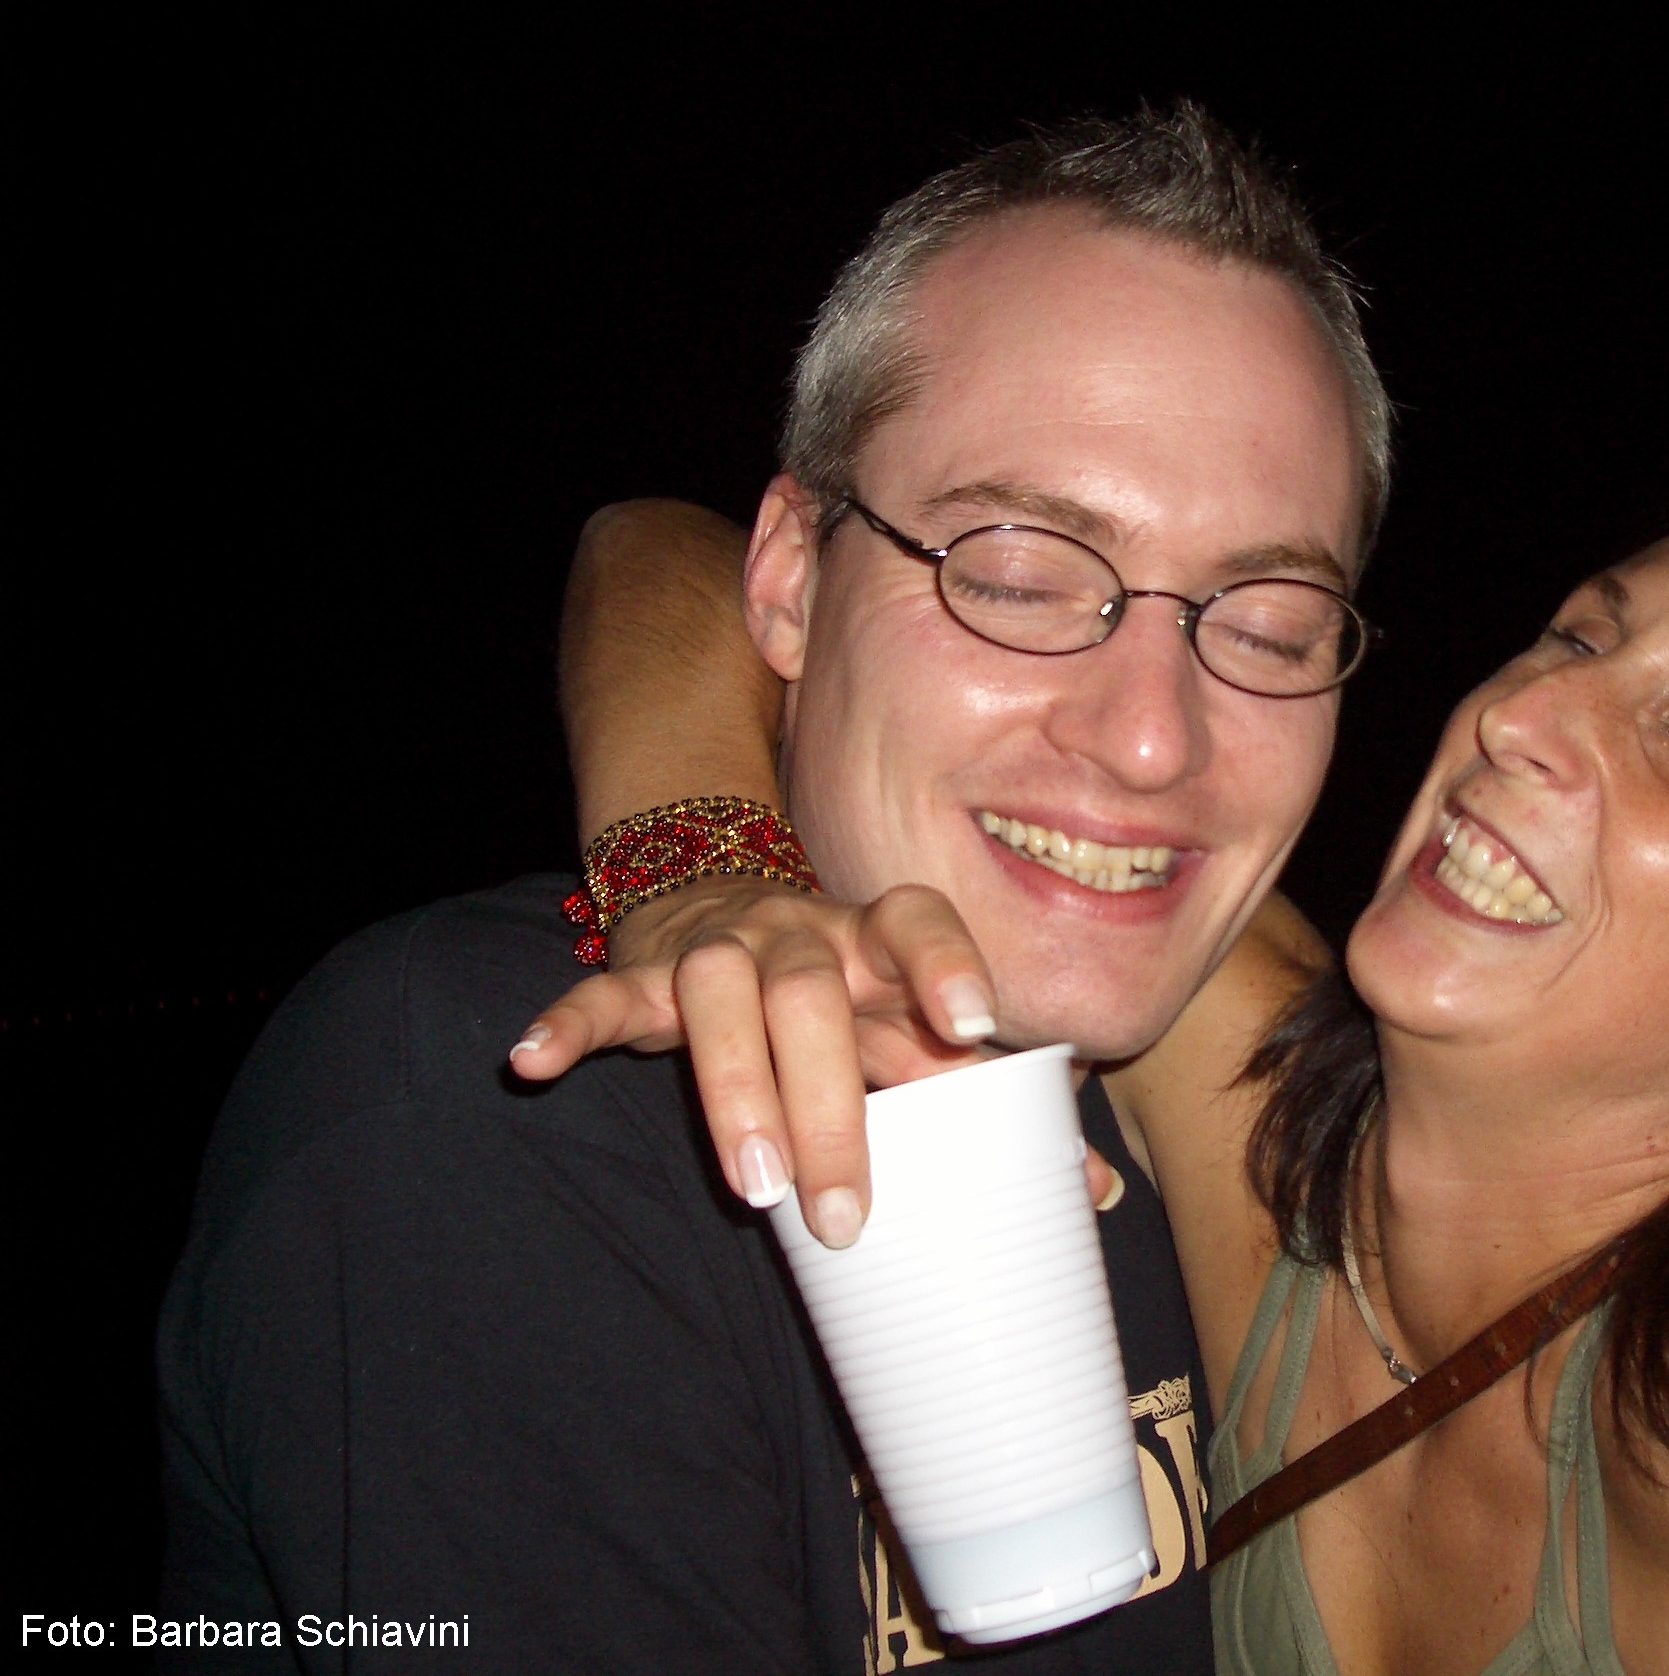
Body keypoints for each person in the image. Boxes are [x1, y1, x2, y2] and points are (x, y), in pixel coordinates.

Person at [548, 459, 1669, 1671]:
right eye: (1579, 638)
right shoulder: (1252, 1103)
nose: (1520, 715)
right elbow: (667, 551)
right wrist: (707, 875)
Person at [158, 103, 1387, 1672]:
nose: (1154, 737)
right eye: (1018, 576)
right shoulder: (488, 1113)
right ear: (789, 579)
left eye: (1271, 627)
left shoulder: (1229, 1135)